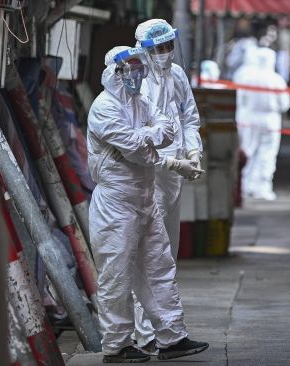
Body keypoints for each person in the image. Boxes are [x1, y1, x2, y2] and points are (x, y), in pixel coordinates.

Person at [87, 46, 208, 363]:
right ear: (115, 72)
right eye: (130, 69)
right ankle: (117, 345)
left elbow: (168, 129)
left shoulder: (142, 102)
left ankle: (171, 337)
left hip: (144, 196)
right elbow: (132, 148)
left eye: (140, 68)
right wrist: (149, 139)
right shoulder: (104, 107)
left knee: (159, 266)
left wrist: (146, 137)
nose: (138, 75)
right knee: (117, 273)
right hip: (115, 202)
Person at [130, 18, 205, 356]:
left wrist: (193, 151)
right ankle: (144, 335)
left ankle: (160, 333)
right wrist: (174, 162)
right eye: (157, 49)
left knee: (167, 257)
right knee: (150, 258)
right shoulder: (135, 84)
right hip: (147, 181)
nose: (164, 53)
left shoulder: (175, 75)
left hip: (174, 177)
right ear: (143, 51)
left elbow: (188, 116)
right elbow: (136, 145)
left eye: (167, 46)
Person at [241, 47, 290, 200]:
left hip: (251, 119)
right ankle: (263, 187)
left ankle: (246, 185)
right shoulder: (276, 80)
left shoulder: (249, 79)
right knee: (267, 154)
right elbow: (284, 104)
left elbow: (242, 101)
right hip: (270, 120)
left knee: (250, 152)